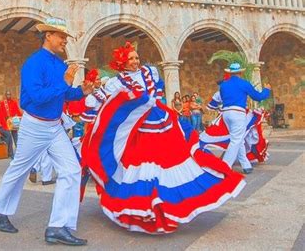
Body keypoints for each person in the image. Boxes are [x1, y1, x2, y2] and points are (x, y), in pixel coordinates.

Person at [82, 42, 245, 234]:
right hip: (139, 130)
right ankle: (147, 206)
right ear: (122, 63)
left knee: (172, 160)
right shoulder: (115, 82)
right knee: (144, 165)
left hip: (162, 123)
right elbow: (97, 101)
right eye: (131, 59)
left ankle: (167, 204)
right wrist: (90, 94)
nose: (136, 61)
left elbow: (156, 93)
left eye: (136, 57)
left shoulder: (149, 72)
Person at [0, 17, 93, 246]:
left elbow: (64, 95)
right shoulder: (33, 64)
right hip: (34, 126)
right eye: (61, 36)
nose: (65, 41)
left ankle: (58, 226)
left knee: (72, 170)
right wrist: (65, 83)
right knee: (19, 168)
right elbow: (37, 97)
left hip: (55, 126)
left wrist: (81, 91)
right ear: (48, 35)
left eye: (65, 37)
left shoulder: (60, 65)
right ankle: (0, 211)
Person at [219, 63, 271, 174]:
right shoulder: (244, 84)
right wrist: (267, 90)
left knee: (239, 139)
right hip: (237, 113)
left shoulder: (223, 85)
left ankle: (245, 165)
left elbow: (223, 98)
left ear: (230, 72)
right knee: (236, 140)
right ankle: (224, 166)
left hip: (226, 113)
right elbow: (258, 97)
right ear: (240, 72)